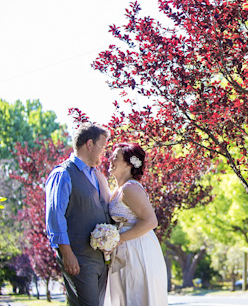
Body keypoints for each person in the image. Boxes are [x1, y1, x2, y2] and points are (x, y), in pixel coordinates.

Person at [45, 122, 112, 306]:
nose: (104, 152)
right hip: (78, 258)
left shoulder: (98, 176)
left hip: (100, 259)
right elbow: (54, 217)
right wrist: (67, 253)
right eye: (102, 146)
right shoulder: (63, 174)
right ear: (89, 144)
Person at [104, 143, 168, 306]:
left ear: (128, 163)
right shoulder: (117, 190)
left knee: (137, 296)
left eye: (115, 157)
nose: (110, 159)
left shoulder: (130, 188)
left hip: (138, 251)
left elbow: (150, 221)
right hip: (124, 250)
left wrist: (119, 239)